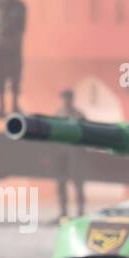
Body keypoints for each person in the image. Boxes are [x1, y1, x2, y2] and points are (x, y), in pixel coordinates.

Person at [53, 89, 86, 218]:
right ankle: (63, 213)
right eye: (64, 98)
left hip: (75, 154)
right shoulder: (59, 115)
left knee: (78, 185)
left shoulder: (78, 116)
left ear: (72, 99)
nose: (65, 101)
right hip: (62, 155)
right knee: (61, 184)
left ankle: (80, 212)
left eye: (67, 98)